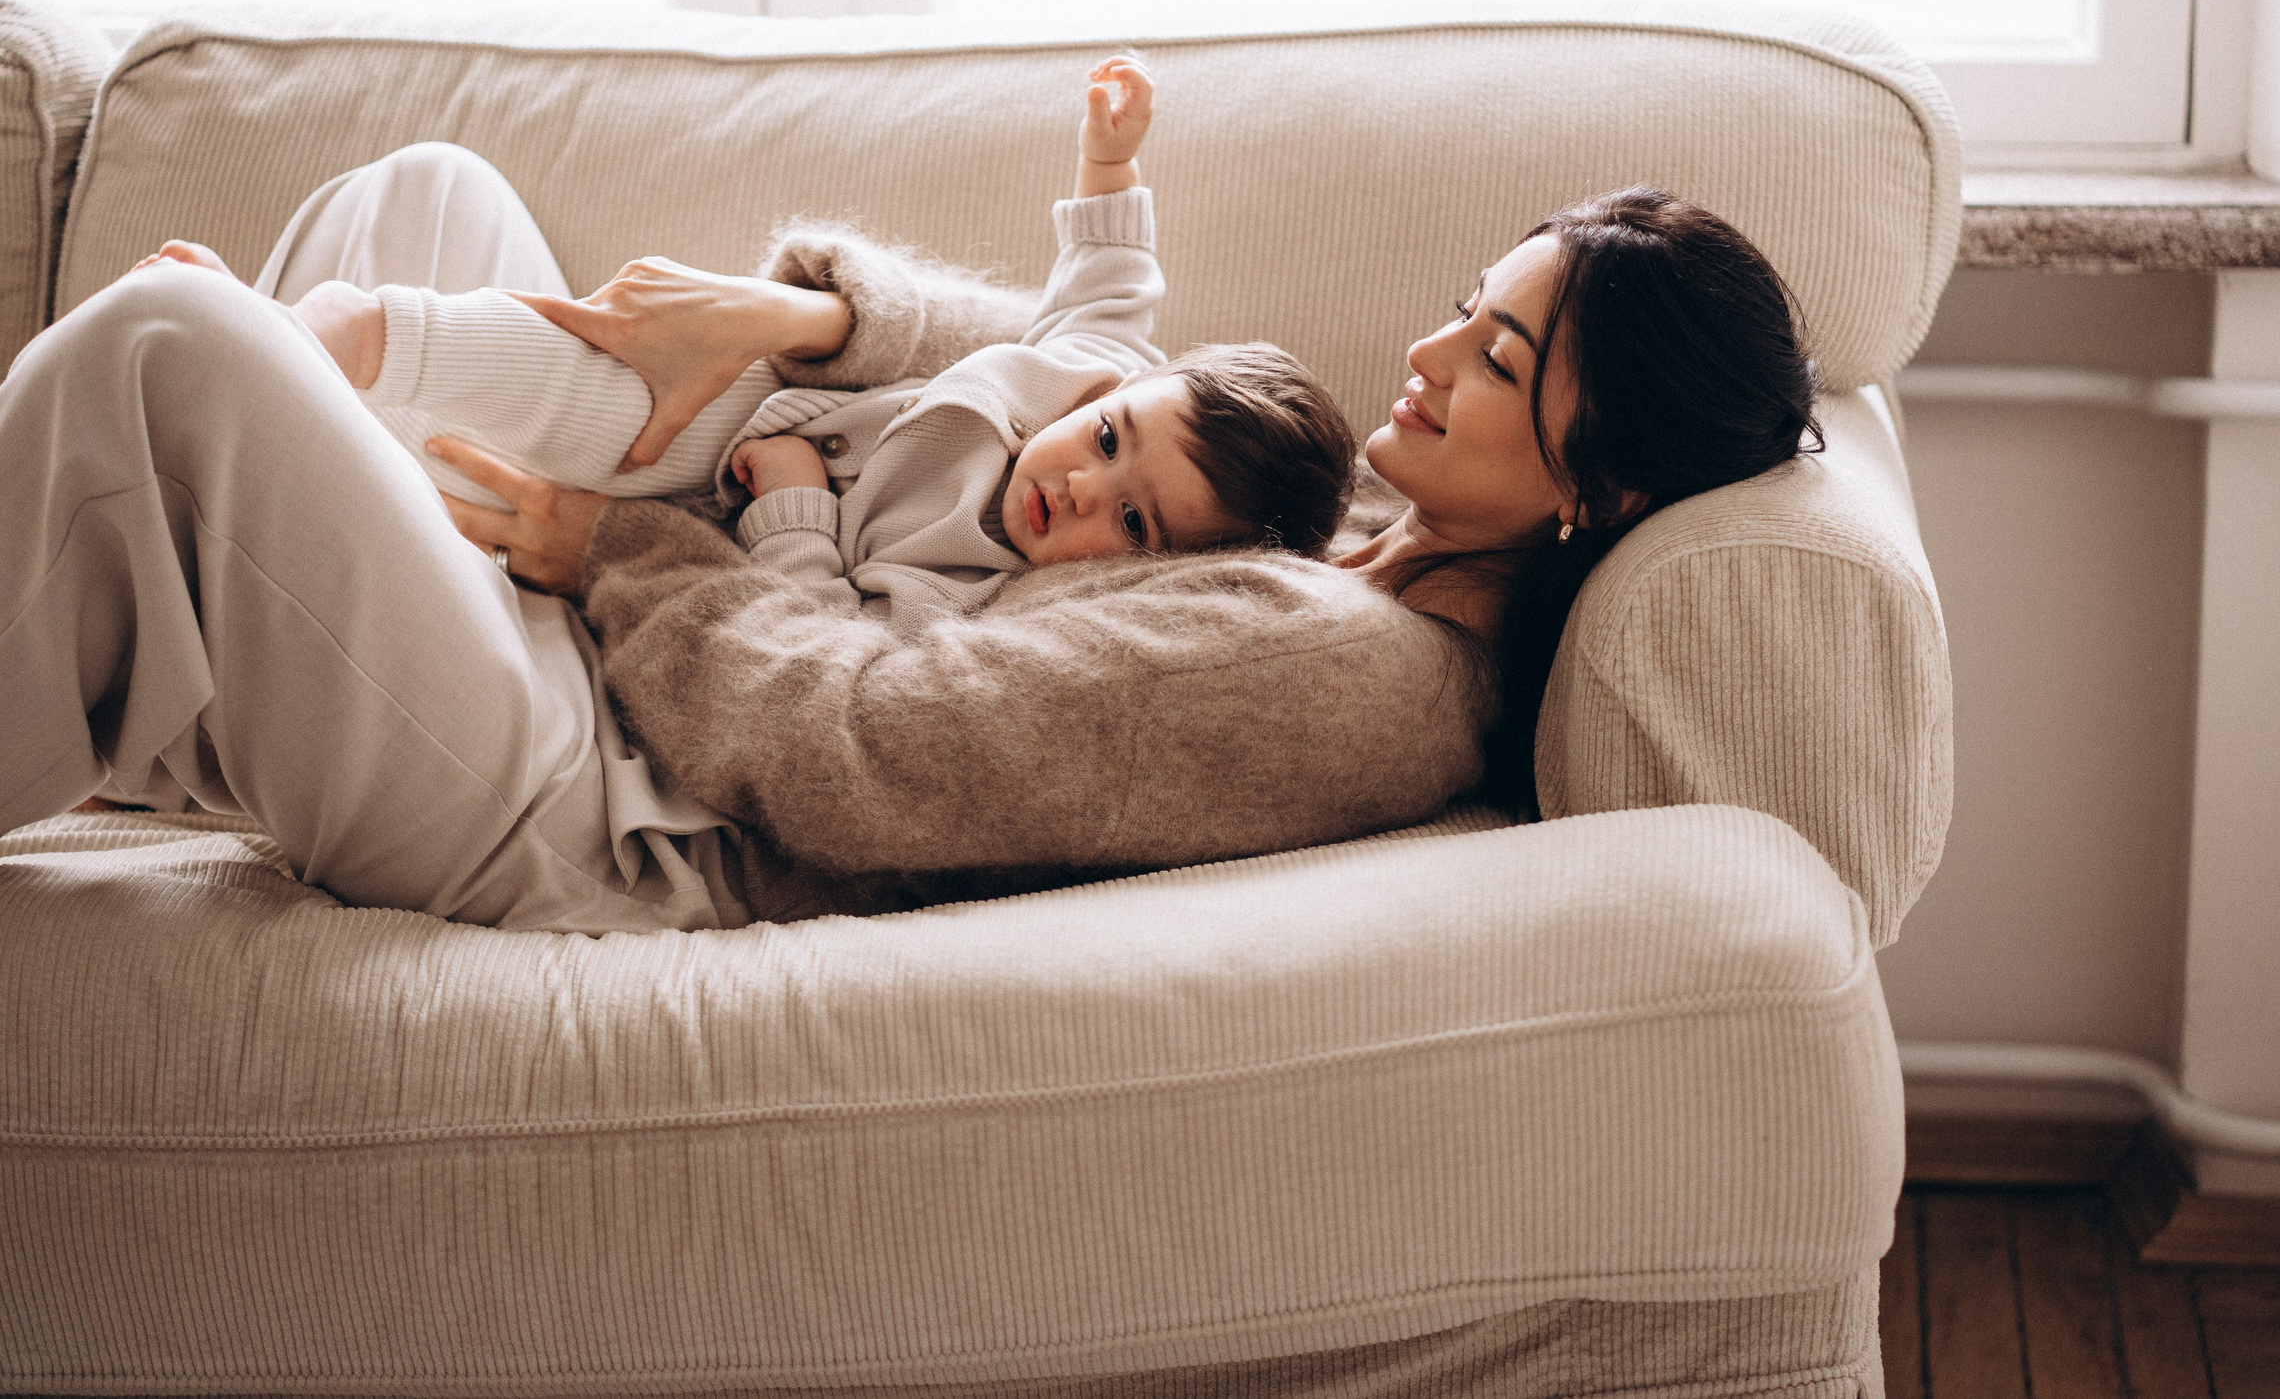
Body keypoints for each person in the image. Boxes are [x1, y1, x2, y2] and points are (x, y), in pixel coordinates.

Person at [0, 83, 1818, 928]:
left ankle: (160, 580)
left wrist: (638, 545)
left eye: (1498, 366)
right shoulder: (1353, 525)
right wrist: (798, 318)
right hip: (615, 693)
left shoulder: (1353, 673)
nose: (1430, 352)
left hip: (623, 810)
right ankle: (161, 643)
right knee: (428, 203)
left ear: (1607, 489)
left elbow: (857, 746)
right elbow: (1075, 382)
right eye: (1469, 305)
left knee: (178, 341)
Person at [135, 57, 1358, 640]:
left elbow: (826, 633)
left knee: (490, 438)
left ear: (1150, 579)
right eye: (1107, 442)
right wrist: (1109, 160)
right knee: (457, 242)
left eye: (1131, 523)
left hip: (698, 513)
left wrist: (797, 520)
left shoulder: (973, 604)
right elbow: (1111, 276)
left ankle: (285, 363)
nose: (1080, 485)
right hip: (722, 412)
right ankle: (293, 347)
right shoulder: (1083, 361)